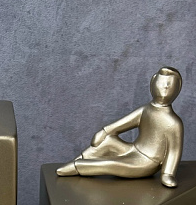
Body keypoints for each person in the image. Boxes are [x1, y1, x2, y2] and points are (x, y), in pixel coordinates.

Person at [56, 67, 184, 188]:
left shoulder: (174, 123)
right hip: (133, 150)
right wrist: (104, 132)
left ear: (177, 90)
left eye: (169, 85)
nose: (165, 87)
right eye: (161, 83)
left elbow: (173, 151)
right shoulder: (145, 110)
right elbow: (121, 124)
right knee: (108, 141)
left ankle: (77, 166)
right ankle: (79, 160)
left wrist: (167, 174)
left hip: (147, 162)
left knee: (111, 164)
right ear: (152, 84)